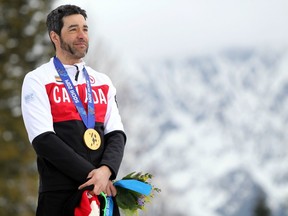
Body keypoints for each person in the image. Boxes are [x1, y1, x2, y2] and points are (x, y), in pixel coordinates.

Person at [21, 4, 126, 216]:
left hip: (102, 194)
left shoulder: (102, 81)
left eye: (85, 29)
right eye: (73, 29)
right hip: (60, 196)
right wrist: (95, 177)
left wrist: (106, 171)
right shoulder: (37, 80)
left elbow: (116, 133)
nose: (82, 35)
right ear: (55, 37)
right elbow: (44, 140)